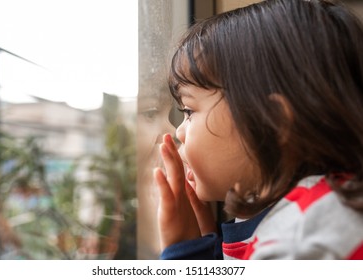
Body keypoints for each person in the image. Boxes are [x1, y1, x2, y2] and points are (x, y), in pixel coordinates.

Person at [153, 0, 363, 259]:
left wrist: (182, 256)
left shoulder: (303, 236)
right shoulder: (296, 214)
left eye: (188, 111)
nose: (179, 132)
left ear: (270, 121)